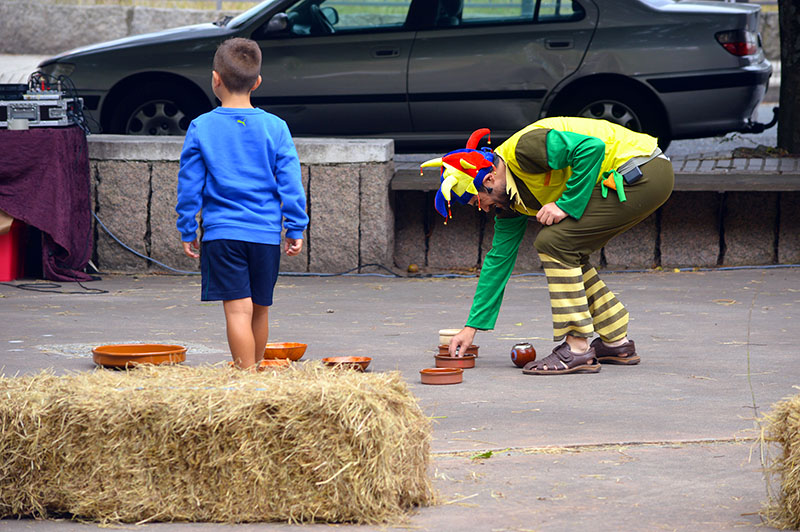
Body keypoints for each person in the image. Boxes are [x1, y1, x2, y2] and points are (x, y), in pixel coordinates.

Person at [422, 116, 674, 375]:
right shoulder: (511, 200)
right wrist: (471, 327)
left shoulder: (524, 149)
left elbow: (591, 148)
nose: (483, 209)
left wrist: (566, 204)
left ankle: (576, 349)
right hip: (633, 177)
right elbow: (499, 258)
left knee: (553, 241)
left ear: (488, 179)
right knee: (566, 247)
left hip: (643, 170)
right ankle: (615, 341)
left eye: (477, 202)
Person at [176, 38, 308, 370]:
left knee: (237, 310)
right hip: (264, 235)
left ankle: (245, 378)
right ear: (257, 82)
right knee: (260, 308)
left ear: (215, 79)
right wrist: (295, 226)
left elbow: (189, 186)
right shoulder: (276, 128)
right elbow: (290, 183)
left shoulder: (201, 127)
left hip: (223, 234)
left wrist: (188, 227)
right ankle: (256, 371)